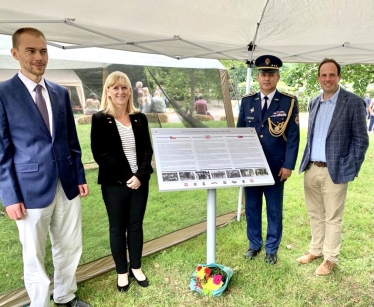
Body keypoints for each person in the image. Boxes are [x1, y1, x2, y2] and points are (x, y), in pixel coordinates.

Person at [0, 28, 89, 307]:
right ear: (15, 53)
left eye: (43, 51)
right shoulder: (3, 93)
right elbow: (1, 150)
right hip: (29, 190)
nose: (39, 57)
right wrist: (10, 196)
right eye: (31, 51)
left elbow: (70, 139)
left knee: (70, 244)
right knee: (33, 253)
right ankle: (41, 303)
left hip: (66, 183)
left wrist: (79, 175)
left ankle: (65, 295)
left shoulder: (60, 92)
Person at [297, 58, 369, 276]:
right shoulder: (313, 102)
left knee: (333, 217)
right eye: (323, 75)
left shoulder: (353, 102)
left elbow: (361, 140)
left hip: (335, 171)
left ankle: (330, 259)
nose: (327, 79)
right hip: (312, 168)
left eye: (331, 74)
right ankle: (315, 251)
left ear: (339, 77)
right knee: (315, 213)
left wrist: (351, 167)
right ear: (318, 77)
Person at [91, 71, 153, 292]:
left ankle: (136, 267)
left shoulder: (139, 118)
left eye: (124, 87)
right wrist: (129, 177)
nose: (120, 92)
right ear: (107, 91)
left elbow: (147, 150)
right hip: (114, 184)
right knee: (117, 229)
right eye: (115, 87)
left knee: (135, 226)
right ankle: (121, 271)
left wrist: (140, 176)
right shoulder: (100, 119)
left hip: (140, 182)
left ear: (130, 91)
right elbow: (101, 154)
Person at [237, 55, 300, 265]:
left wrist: (288, 165)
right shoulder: (247, 102)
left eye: (271, 74)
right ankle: (254, 244)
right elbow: (239, 134)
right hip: (251, 166)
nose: (267, 78)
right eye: (263, 74)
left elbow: (293, 136)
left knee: (273, 208)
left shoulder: (288, 102)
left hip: (275, 167)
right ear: (257, 76)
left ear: (278, 77)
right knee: (252, 207)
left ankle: (271, 248)